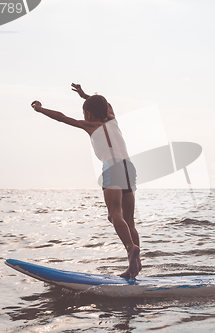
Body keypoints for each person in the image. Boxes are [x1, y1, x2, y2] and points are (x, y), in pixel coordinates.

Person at [31, 83, 141, 278]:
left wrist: (40, 110)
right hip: (128, 167)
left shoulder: (90, 125)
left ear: (88, 115)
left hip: (112, 166)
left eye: (84, 112)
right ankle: (135, 266)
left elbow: (61, 117)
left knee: (114, 214)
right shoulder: (113, 120)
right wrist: (84, 96)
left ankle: (130, 248)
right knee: (130, 220)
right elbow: (107, 104)